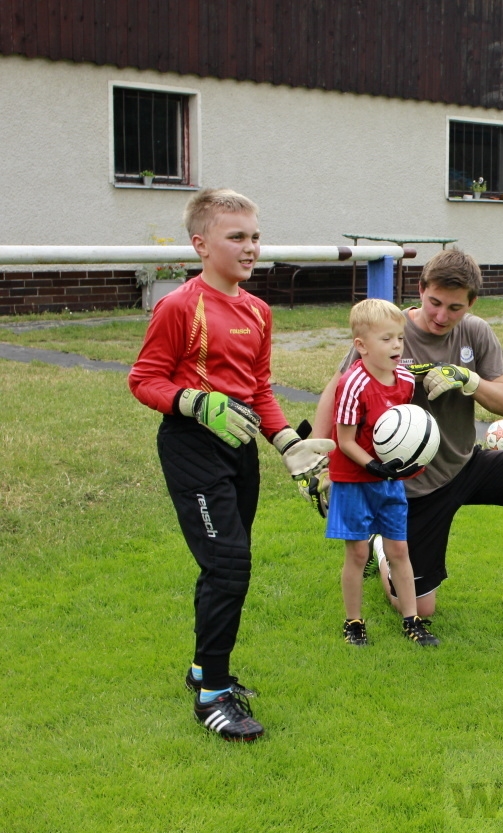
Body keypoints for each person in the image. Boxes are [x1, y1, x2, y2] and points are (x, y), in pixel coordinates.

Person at [129, 188, 335, 741]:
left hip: (239, 447)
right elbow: (144, 380)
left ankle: (203, 670)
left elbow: (258, 388)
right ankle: (213, 697)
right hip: (191, 446)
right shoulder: (179, 306)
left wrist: (288, 444)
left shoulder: (258, 311)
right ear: (201, 244)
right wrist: (193, 402)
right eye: (236, 237)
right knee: (228, 564)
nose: (250, 248)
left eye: (255, 237)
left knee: (226, 563)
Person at [313, 248, 503, 642]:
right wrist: (320, 460)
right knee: (422, 609)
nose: (441, 316)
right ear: (421, 289)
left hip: (465, 464)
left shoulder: (476, 332)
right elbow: (337, 390)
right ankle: (382, 547)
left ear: (471, 303)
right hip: (412, 486)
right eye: (434, 302)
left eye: (455, 308)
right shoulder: (389, 331)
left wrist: (468, 379)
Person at [326, 299, 433, 647]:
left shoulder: (406, 380)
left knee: (399, 549)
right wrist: (373, 465)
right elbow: (344, 440)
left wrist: (412, 454)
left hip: (389, 481)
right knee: (357, 553)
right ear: (361, 346)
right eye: (386, 339)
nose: (396, 346)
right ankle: (353, 622)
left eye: (400, 338)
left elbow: (402, 427)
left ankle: (412, 620)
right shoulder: (352, 384)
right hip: (354, 481)